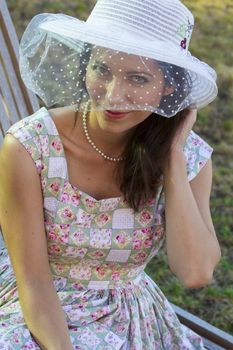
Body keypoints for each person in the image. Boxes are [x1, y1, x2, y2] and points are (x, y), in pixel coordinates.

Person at [0, 0, 221, 349]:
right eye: (101, 69)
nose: (113, 95)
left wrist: (173, 160)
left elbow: (195, 271)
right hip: (37, 309)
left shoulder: (187, 156)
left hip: (129, 318)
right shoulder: (29, 147)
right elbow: (34, 281)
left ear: (168, 87)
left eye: (137, 78)